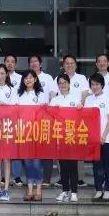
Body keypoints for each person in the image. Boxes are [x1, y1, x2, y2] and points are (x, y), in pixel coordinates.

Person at [59, 54, 90, 187]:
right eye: (67, 63)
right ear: (63, 65)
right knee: (62, 149)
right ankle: (63, 177)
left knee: (78, 148)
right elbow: (53, 95)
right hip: (62, 122)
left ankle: (79, 178)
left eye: (72, 63)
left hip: (77, 119)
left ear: (76, 65)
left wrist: (80, 107)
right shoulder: (59, 78)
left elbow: (85, 94)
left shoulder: (81, 78)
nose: (69, 65)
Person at [50, 73, 83, 202]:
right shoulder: (54, 100)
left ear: (69, 84)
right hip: (59, 137)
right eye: (60, 83)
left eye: (64, 83)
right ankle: (65, 191)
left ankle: (74, 192)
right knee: (63, 167)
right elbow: (49, 119)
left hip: (72, 136)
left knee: (73, 166)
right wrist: (54, 111)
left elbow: (81, 118)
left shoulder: (76, 99)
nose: (62, 85)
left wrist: (80, 108)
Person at [17, 70, 48, 201]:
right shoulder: (19, 94)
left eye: (31, 77)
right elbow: (15, 112)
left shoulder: (41, 94)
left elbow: (45, 113)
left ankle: (38, 189)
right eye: (26, 78)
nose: (28, 80)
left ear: (35, 79)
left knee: (36, 162)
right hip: (23, 132)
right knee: (28, 162)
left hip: (37, 132)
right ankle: (29, 189)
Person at [85, 72, 109, 202]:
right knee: (97, 166)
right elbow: (85, 119)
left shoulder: (107, 98)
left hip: (106, 138)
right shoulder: (89, 100)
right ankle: (98, 190)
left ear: (102, 85)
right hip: (93, 139)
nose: (95, 87)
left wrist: (103, 135)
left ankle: (108, 190)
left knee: (108, 165)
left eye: (97, 84)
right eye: (92, 84)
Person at [28, 55, 57, 186]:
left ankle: (46, 178)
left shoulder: (48, 78)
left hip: (45, 118)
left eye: (36, 61)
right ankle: (34, 177)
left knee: (46, 148)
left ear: (40, 64)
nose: (33, 63)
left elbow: (53, 94)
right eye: (31, 61)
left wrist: (49, 110)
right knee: (32, 149)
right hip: (30, 120)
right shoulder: (27, 78)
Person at [0, 63, 15, 202]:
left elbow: (16, 109)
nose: (0, 76)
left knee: (7, 159)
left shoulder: (12, 89)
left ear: (6, 74)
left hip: (8, 127)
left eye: (2, 73)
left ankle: (6, 189)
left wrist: (5, 105)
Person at [3, 54, 24, 187]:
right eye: (7, 61)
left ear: (15, 64)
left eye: (12, 62)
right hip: (2, 119)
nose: (10, 64)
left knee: (16, 148)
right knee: (4, 147)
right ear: (4, 63)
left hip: (17, 117)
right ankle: (4, 176)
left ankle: (17, 176)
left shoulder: (21, 78)